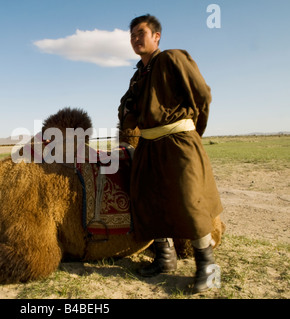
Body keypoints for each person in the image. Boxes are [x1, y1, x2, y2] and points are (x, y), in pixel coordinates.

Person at [118, 14, 223, 293]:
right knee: (148, 199)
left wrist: (191, 133)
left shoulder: (173, 58)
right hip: (149, 145)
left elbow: (203, 94)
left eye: (141, 33)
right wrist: (128, 111)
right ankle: (165, 258)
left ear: (156, 37)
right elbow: (128, 116)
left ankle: (208, 268)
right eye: (132, 36)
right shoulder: (137, 77)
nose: (136, 39)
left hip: (179, 142)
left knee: (191, 201)